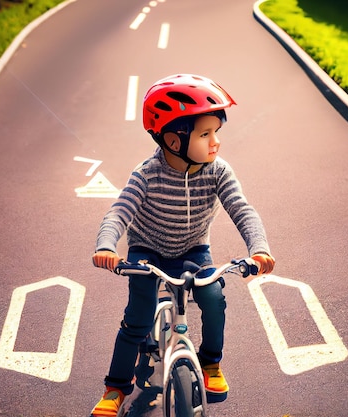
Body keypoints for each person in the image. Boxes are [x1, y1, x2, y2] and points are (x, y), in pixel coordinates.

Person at [90, 74, 275, 417]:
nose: (216, 142)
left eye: (216, 132)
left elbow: (242, 209)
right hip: (147, 252)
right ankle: (115, 387)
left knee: (214, 297)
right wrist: (106, 246)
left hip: (193, 250)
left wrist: (259, 248)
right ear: (174, 141)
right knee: (138, 319)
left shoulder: (217, 171)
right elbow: (119, 213)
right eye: (206, 134)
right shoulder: (147, 174)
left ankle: (211, 363)